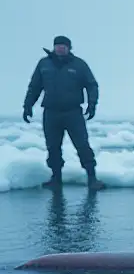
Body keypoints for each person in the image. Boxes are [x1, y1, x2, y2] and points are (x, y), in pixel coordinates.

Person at [22, 35, 105, 190]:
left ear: (69, 48)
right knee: (53, 147)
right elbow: (34, 86)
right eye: (58, 45)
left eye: (64, 46)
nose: (60, 48)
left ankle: (92, 178)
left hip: (73, 112)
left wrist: (92, 104)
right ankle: (56, 179)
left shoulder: (79, 65)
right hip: (51, 112)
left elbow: (92, 85)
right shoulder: (44, 64)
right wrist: (27, 106)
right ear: (54, 47)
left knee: (82, 145)